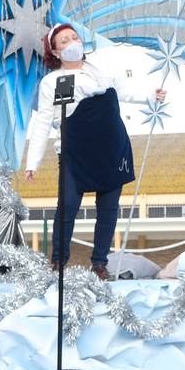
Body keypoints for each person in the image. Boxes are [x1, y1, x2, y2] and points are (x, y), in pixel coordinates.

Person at [23, 23, 165, 279]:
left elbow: (125, 92)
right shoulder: (56, 81)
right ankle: (58, 262)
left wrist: (151, 95)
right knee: (67, 207)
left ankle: (100, 263)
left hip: (112, 149)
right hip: (75, 152)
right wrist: (32, 161)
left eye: (74, 37)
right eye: (64, 41)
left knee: (108, 210)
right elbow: (45, 121)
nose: (72, 42)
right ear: (55, 52)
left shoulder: (102, 69)